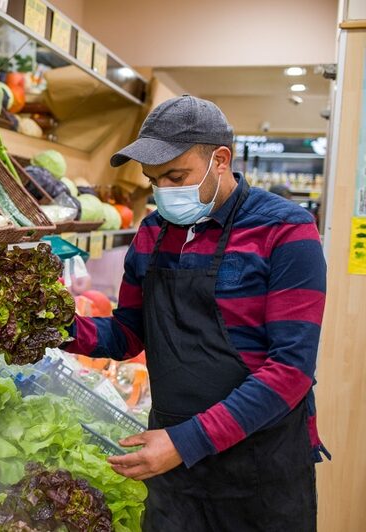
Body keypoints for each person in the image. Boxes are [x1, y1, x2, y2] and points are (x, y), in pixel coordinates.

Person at [62, 95, 328, 531]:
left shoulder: (285, 230)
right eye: (153, 180)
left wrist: (185, 443)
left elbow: (291, 370)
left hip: (259, 467)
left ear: (220, 160)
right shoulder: (151, 235)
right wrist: (49, 328)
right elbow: (129, 333)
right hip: (172, 466)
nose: (163, 191)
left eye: (175, 176)